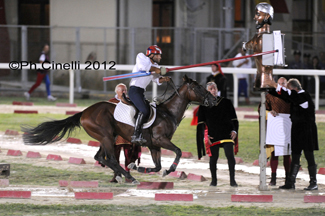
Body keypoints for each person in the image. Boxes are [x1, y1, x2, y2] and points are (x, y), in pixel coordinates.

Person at [266, 78, 319, 190]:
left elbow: (290, 96)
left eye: (289, 88)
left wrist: (276, 85)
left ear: (295, 88)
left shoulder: (304, 96)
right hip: (296, 129)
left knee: (309, 156)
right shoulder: (295, 97)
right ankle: (291, 183)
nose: (288, 91)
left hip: (307, 130)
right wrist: (270, 88)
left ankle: (314, 182)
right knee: (295, 156)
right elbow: (286, 96)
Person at [196, 82, 239, 187]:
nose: (213, 90)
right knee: (213, 158)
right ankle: (214, 180)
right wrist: (205, 136)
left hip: (227, 133)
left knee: (230, 156)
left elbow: (234, 120)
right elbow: (200, 124)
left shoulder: (226, 102)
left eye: (215, 88)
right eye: (211, 89)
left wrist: (234, 131)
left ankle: (232, 180)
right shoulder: (203, 106)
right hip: (213, 135)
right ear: (207, 91)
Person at [128, 45, 170, 145]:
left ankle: (144, 132)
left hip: (141, 92)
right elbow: (145, 67)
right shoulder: (141, 57)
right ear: (151, 55)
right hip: (134, 90)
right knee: (144, 110)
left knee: (150, 111)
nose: (160, 57)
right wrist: (157, 70)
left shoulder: (155, 66)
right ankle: (136, 135)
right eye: (158, 55)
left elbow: (156, 79)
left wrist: (164, 79)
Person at [260, 77, 291, 186]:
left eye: (284, 83)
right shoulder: (271, 95)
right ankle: (273, 178)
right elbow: (261, 108)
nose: (282, 85)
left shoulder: (291, 95)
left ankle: (288, 179)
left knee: (287, 154)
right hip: (275, 127)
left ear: (287, 84)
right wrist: (269, 112)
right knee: (275, 154)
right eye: (280, 83)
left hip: (287, 127)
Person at [108, 83, 141, 183]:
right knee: (114, 156)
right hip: (115, 134)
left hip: (127, 133)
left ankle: (127, 175)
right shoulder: (111, 103)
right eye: (122, 90)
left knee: (129, 155)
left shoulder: (131, 102)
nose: (124, 92)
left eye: (125, 90)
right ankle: (116, 175)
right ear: (117, 91)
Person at [242, 2, 275, 90]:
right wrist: (245, 46)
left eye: (258, 14)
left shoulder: (264, 38)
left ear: (267, 16)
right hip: (260, 75)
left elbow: (252, 44)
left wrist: (246, 46)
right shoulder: (258, 36)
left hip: (266, 78)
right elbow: (252, 43)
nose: (254, 17)